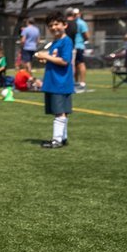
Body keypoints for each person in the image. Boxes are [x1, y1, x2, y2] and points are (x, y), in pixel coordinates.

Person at [37, 12, 74, 149]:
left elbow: (64, 61)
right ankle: (63, 138)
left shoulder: (66, 41)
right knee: (61, 111)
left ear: (65, 25)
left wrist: (45, 57)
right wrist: (45, 59)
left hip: (60, 82)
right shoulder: (55, 42)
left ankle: (57, 140)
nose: (54, 27)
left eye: (57, 24)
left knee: (60, 111)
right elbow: (55, 59)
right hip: (54, 81)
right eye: (51, 25)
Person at [66, 8, 90, 91]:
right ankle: (77, 82)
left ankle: (82, 82)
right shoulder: (77, 23)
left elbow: (86, 36)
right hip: (76, 45)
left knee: (79, 64)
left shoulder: (79, 23)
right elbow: (87, 36)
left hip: (78, 46)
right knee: (76, 64)